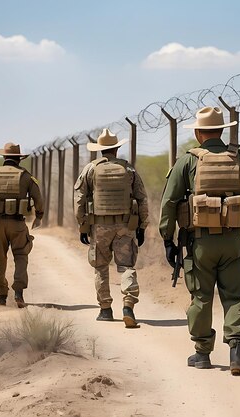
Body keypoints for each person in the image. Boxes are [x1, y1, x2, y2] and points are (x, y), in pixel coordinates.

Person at [159, 106, 240, 375]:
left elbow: (169, 202)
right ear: (221, 131)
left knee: (201, 297)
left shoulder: (187, 161)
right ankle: (236, 351)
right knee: (233, 296)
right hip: (233, 241)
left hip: (200, 243)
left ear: (198, 133)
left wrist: (168, 239)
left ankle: (202, 354)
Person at [74, 128, 149, 328]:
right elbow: (142, 198)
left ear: (100, 150)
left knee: (100, 267)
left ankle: (105, 310)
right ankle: (128, 306)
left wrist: (82, 226)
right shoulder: (129, 169)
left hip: (99, 227)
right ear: (116, 149)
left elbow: (79, 199)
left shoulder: (90, 169)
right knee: (126, 266)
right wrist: (142, 225)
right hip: (126, 225)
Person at [0, 142, 44, 308]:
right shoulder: (26, 176)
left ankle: (2, 296)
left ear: (4, 157)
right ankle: (19, 293)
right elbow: (38, 198)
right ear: (19, 159)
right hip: (17, 224)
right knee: (21, 256)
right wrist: (39, 215)